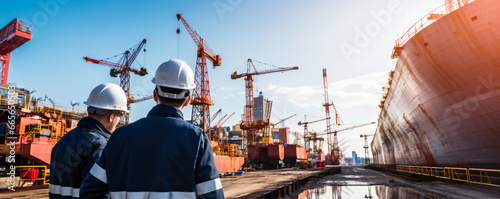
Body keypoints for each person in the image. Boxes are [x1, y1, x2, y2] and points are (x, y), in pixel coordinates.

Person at [80, 59, 224, 199]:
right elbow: (212, 195)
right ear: (187, 100)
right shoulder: (197, 138)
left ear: (155, 95)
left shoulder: (120, 136)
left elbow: (89, 191)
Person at [49, 83, 128, 199]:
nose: (118, 121)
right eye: (120, 116)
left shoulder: (65, 139)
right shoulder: (99, 145)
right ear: (111, 116)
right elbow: (98, 191)